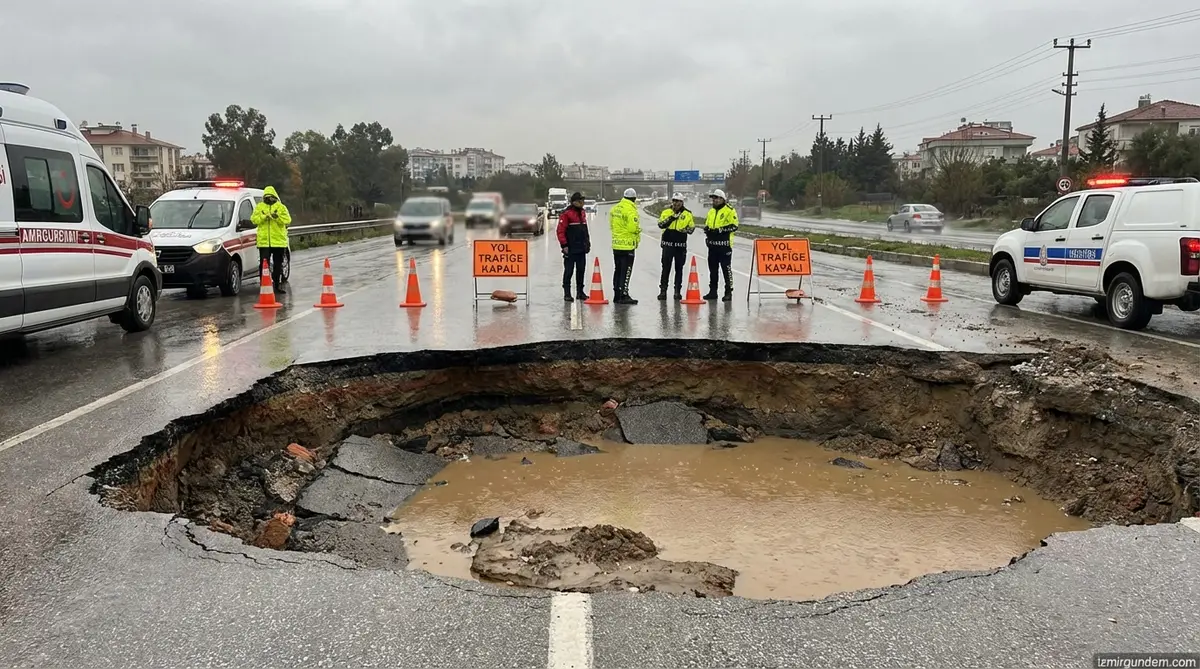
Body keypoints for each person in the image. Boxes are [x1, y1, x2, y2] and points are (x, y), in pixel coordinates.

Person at [251, 186, 292, 293]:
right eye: (267, 197)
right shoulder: (260, 207)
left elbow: (287, 220)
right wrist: (264, 217)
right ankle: (263, 284)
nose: (269, 199)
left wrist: (276, 217)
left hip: (278, 241)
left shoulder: (281, 207)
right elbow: (254, 219)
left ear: (275, 197)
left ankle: (277, 285)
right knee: (264, 264)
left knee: (278, 264)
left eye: (271, 197)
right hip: (264, 241)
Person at [657, 192, 695, 301]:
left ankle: (677, 292)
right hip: (668, 245)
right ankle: (663, 291)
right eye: (674, 201)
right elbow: (661, 225)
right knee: (666, 269)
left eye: (678, 201)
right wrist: (672, 218)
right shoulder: (666, 212)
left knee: (679, 269)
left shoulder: (688, 214)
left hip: (680, 246)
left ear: (682, 202)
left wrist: (685, 230)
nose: (676, 203)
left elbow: (692, 228)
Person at [703, 188, 738, 301]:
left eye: (717, 198)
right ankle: (713, 291)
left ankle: (728, 292)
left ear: (722, 199)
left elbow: (734, 226)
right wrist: (707, 230)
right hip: (712, 246)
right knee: (713, 270)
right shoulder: (711, 211)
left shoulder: (729, 210)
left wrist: (721, 230)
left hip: (724, 246)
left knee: (726, 269)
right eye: (713, 198)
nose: (714, 200)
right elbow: (708, 225)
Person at [609, 187, 642, 304]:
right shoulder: (631, 210)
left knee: (617, 270)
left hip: (616, 245)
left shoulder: (615, 208)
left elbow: (612, 225)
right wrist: (639, 230)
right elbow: (632, 228)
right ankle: (624, 294)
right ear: (634, 199)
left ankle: (616, 294)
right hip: (627, 246)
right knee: (626, 270)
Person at [557, 192, 591, 302]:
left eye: (583, 201)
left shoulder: (582, 213)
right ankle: (567, 293)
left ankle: (580, 292)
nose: (583, 203)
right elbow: (560, 231)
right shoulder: (567, 214)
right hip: (570, 248)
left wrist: (587, 242)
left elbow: (585, 230)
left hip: (581, 248)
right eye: (580, 201)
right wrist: (564, 245)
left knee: (581, 270)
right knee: (569, 271)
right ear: (575, 202)